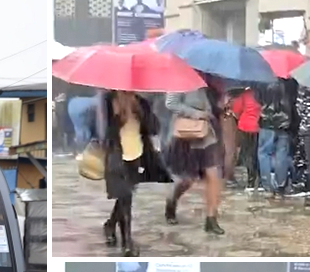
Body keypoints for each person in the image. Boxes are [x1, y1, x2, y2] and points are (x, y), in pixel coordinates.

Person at [101, 89, 163, 257]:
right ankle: (128, 242)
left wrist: (140, 111)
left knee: (125, 197)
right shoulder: (108, 100)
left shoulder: (141, 102)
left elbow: (154, 128)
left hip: (136, 155)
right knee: (125, 198)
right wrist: (118, 115)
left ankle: (110, 224)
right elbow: (103, 131)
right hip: (116, 156)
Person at [164, 78, 225, 235]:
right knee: (187, 179)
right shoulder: (180, 77)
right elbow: (171, 103)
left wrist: (221, 104)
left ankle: (211, 220)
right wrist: (196, 114)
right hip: (187, 135)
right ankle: (172, 200)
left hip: (207, 135)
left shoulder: (211, 78)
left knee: (213, 175)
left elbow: (213, 107)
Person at [258, 79, 297, 196]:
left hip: (266, 121)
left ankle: (267, 184)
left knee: (264, 153)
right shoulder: (291, 82)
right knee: (282, 154)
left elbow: (257, 98)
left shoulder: (262, 80)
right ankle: (281, 184)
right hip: (285, 122)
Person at [230, 86, 262, 190]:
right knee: (257, 153)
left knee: (248, 153)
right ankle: (260, 179)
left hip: (244, 126)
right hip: (258, 126)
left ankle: (251, 181)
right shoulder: (263, 94)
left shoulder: (246, 94)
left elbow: (237, 109)